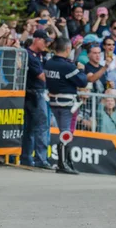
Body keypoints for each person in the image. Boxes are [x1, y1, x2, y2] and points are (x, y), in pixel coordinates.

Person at [44, 38, 88, 174]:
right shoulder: (67, 66)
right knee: (66, 133)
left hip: (53, 102)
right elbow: (82, 82)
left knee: (66, 131)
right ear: (68, 49)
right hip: (67, 103)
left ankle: (67, 162)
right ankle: (62, 164)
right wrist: (80, 70)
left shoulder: (48, 63)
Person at [21, 29, 55, 169]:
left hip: (37, 93)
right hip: (35, 93)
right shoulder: (29, 55)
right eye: (45, 41)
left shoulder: (40, 56)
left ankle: (27, 158)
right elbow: (42, 76)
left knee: (31, 127)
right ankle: (40, 159)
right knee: (41, 126)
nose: (46, 44)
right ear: (37, 39)